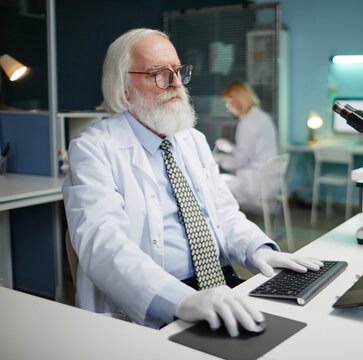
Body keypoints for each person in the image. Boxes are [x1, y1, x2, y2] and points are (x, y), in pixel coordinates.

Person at [62, 28, 322, 337]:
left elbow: (224, 213)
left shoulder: (192, 139)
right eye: (158, 73)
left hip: (220, 283)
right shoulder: (93, 149)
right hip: (160, 299)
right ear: (124, 87)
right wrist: (181, 300)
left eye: (177, 70)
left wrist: (258, 249)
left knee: (304, 327)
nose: (174, 83)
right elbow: (104, 246)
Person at [215, 81, 278, 205]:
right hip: (272, 184)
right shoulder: (263, 117)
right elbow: (254, 151)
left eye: (228, 104)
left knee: (214, 187)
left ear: (237, 102)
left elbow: (238, 162)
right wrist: (231, 148)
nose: (229, 109)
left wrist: (218, 158)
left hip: (254, 185)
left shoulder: (246, 124)